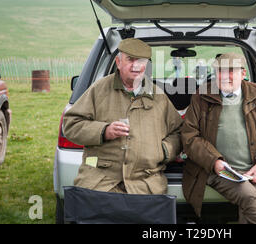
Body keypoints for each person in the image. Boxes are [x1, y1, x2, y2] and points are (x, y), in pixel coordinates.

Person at [63, 38, 183, 195]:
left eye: (141, 61)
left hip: (145, 184)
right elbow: (71, 125)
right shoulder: (99, 89)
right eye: (130, 60)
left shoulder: (159, 97)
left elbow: (179, 132)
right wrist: (104, 131)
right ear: (118, 62)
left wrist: (164, 151)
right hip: (101, 181)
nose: (136, 66)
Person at [181, 52, 256, 224]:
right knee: (252, 198)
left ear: (243, 74)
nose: (225, 77)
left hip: (253, 170)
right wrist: (214, 161)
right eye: (220, 71)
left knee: (252, 205)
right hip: (217, 171)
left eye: (231, 71)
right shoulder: (201, 96)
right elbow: (189, 137)